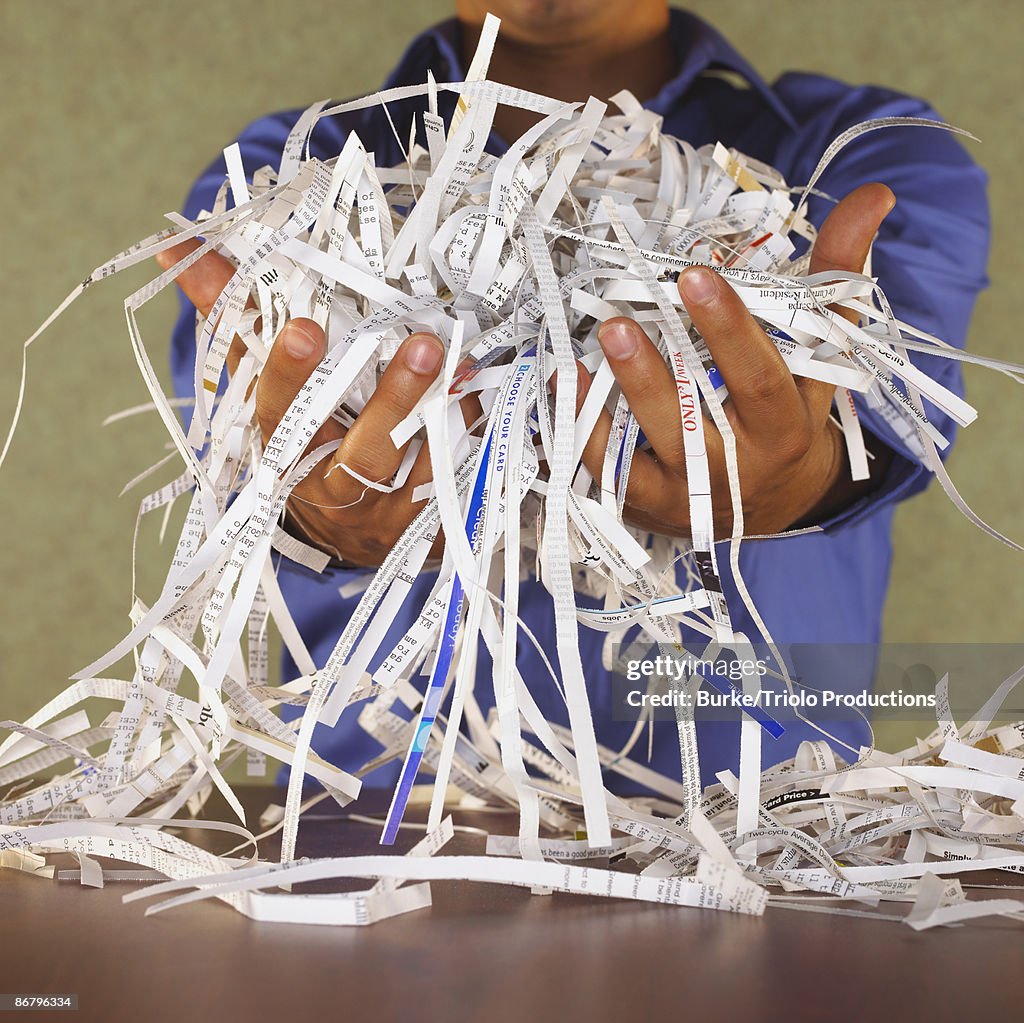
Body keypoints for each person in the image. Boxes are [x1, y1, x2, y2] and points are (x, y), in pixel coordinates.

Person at [157, 2, 989, 788]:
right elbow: (247, 442)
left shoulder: (863, 156)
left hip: (751, 834)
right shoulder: (287, 176)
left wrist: (806, 474)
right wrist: (310, 513)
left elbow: (884, 421)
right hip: (372, 824)